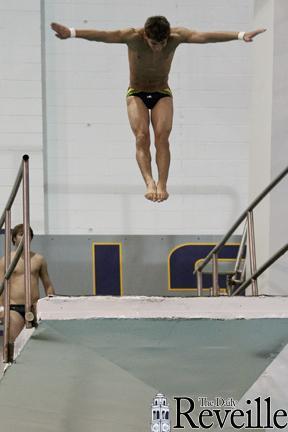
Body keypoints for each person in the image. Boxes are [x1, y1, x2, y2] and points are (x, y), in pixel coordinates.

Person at [51, 17, 265, 202]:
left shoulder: (176, 36)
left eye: (162, 43)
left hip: (162, 92)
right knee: (141, 137)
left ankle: (162, 184)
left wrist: (241, 34)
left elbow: (205, 36)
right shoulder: (132, 36)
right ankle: (149, 183)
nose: (159, 47)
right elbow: (104, 35)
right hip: (136, 92)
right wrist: (71, 33)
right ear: (145, 36)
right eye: (154, 43)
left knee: (162, 138)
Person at [0, 224, 55, 347]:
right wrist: (2, 308)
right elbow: (1, 286)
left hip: (34, 307)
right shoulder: (6, 260)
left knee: (36, 346)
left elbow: (48, 284)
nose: (25, 237)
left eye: (28, 235)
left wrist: (51, 304)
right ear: (14, 238)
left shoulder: (39, 259)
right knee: (14, 345)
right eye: (21, 234)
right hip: (13, 308)